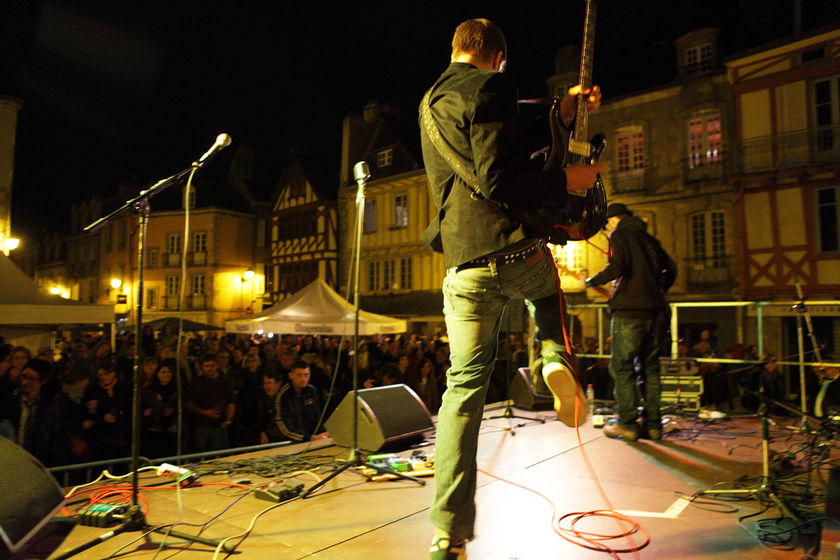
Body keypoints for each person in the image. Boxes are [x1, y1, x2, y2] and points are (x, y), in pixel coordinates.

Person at [419, 18, 603, 558]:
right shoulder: (494, 85)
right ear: (498, 58)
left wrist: (557, 110)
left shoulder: (431, 100)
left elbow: (490, 144)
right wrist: (566, 180)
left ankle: (447, 533)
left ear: (457, 51)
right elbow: (500, 178)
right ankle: (552, 356)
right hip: (515, 251)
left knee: (463, 390)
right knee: (550, 292)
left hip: (463, 266)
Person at [585, 202, 676, 441]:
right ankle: (654, 425)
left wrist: (592, 280)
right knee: (650, 368)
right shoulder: (650, 241)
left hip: (629, 312)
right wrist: (655, 291)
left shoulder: (620, 234)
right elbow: (671, 269)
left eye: (607, 223)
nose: (606, 227)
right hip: (655, 312)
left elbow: (617, 266)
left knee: (622, 367)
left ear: (615, 219)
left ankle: (627, 424)